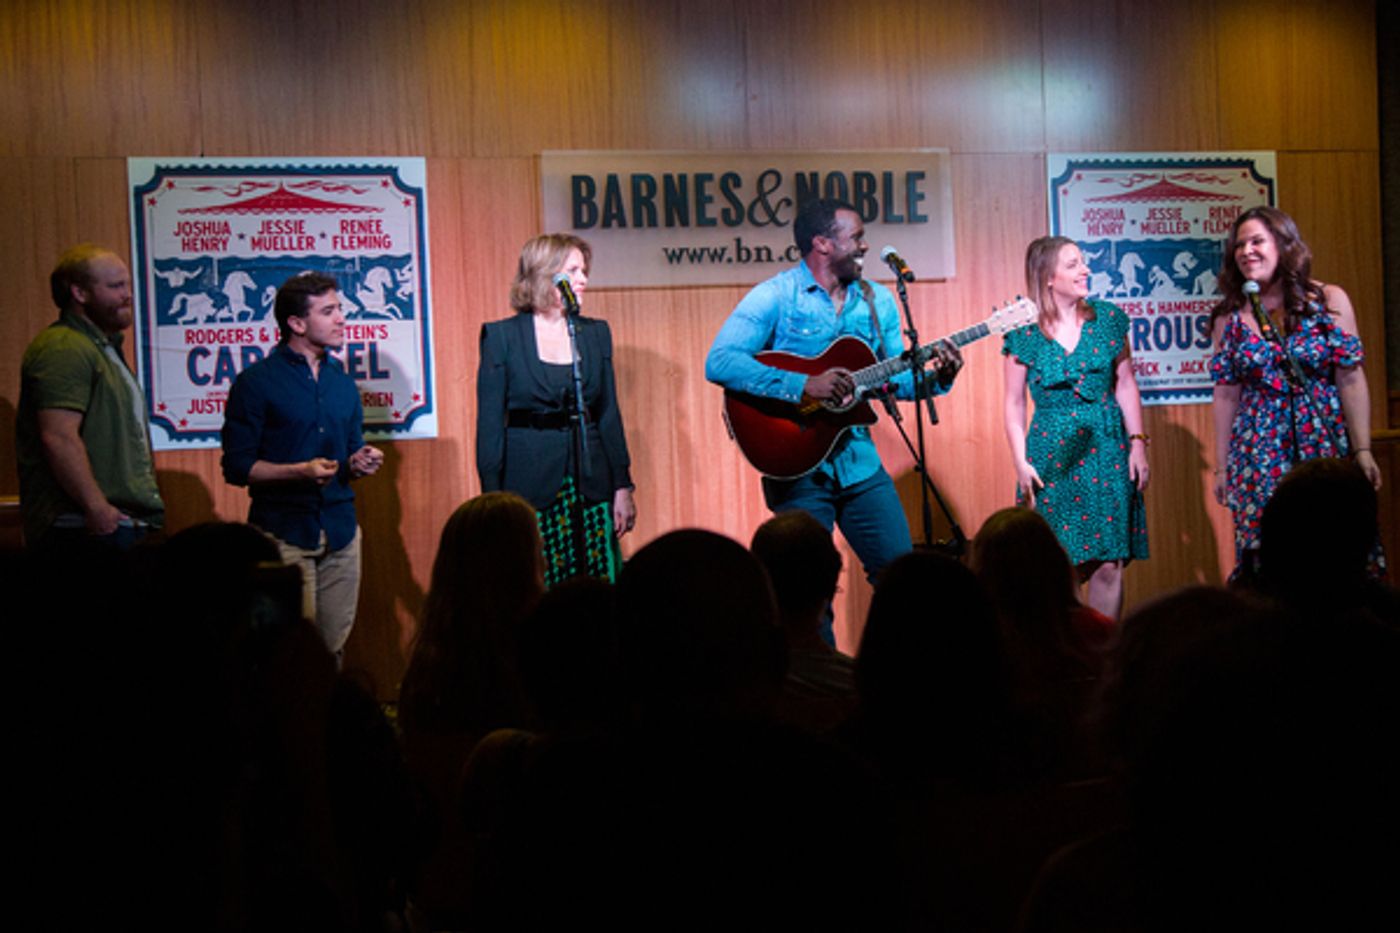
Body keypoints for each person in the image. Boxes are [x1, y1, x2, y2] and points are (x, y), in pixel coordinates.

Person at [705, 198, 962, 627]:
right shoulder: (776, 296)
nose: (864, 245)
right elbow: (721, 361)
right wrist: (803, 384)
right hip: (796, 464)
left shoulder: (875, 300)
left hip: (859, 465)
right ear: (822, 243)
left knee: (904, 578)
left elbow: (892, 380)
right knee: (804, 599)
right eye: (856, 237)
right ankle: (817, 690)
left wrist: (938, 378)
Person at [1209, 205, 1381, 581]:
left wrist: (1363, 449)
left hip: (1320, 442)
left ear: (1284, 245)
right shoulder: (1230, 316)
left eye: (1257, 241)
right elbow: (1225, 396)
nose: (1246, 251)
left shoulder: (1328, 300)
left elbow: (1350, 378)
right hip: (1257, 452)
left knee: (1332, 547)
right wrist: (1222, 466)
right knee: (1271, 559)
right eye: (1239, 245)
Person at [221, 271, 383, 659]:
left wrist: (359, 462)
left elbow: (347, 457)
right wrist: (298, 471)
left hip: (341, 534)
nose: (342, 318)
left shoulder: (343, 384)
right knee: (287, 656)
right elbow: (237, 468)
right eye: (329, 311)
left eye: (339, 308)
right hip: (283, 533)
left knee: (332, 651)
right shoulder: (255, 383)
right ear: (296, 323)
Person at [476, 233, 636, 585]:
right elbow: (489, 426)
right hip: (529, 483)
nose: (583, 280)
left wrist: (622, 486)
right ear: (544, 274)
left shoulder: (593, 333)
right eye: (573, 270)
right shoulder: (502, 337)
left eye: (584, 270)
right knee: (538, 583)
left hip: (591, 481)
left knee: (597, 585)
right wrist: (493, 499)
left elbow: (608, 412)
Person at [1003, 235, 1149, 618]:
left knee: (1107, 563)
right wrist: (1020, 461)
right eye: (1073, 264)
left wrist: (1138, 443)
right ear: (1047, 277)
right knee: (1056, 565)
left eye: (1083, 262)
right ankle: (1064, 659)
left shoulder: (1108, 320)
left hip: (1106, 449)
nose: (1085, 270)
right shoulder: (1023, 333)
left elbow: (1126, 383)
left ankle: (1102, 661)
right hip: (1051, 454)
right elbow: (1014, 402)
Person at [17, 244, 164, 551]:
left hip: (112, 523)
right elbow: (58, 436)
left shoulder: (101, 347)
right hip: (82, 528)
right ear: (79, 293)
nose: (127, 295)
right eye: (115, 286)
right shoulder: (64, 347)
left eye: (127, 284)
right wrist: (96, 507)